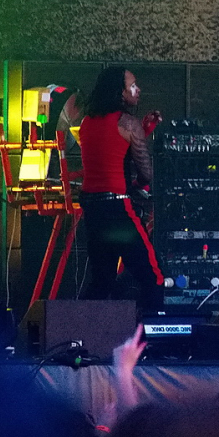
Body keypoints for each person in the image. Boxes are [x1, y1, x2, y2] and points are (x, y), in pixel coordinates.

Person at [78, 66, 164, 310]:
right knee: (153, 276)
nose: (138, 90)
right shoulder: (128, 123)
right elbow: (146, 173)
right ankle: (149, 332)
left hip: (93, 210)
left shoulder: (86, 122)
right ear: (120, 92)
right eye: (132, 86)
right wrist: (137, 185)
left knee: (101, 281)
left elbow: (110, 151)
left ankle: (77, 328)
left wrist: (141, 132)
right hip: (118, 211)